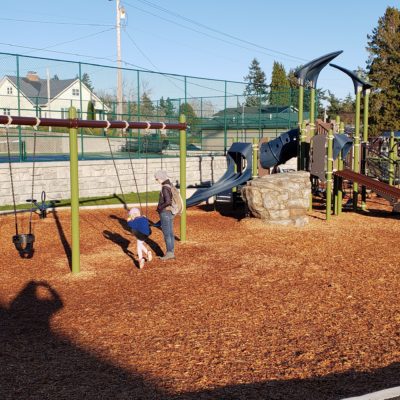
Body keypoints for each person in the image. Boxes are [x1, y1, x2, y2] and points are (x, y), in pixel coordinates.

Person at [154, 170, 176, 261]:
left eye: (157, 179)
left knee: (167, 234)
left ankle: (169, 253)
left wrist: (159, 208)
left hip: (165, 213)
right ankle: (171, 251)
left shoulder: (164, 188)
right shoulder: (169, 185)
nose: (156, 180)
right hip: (170, 212)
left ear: (161, 178)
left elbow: (167, 202)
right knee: (170, 233)